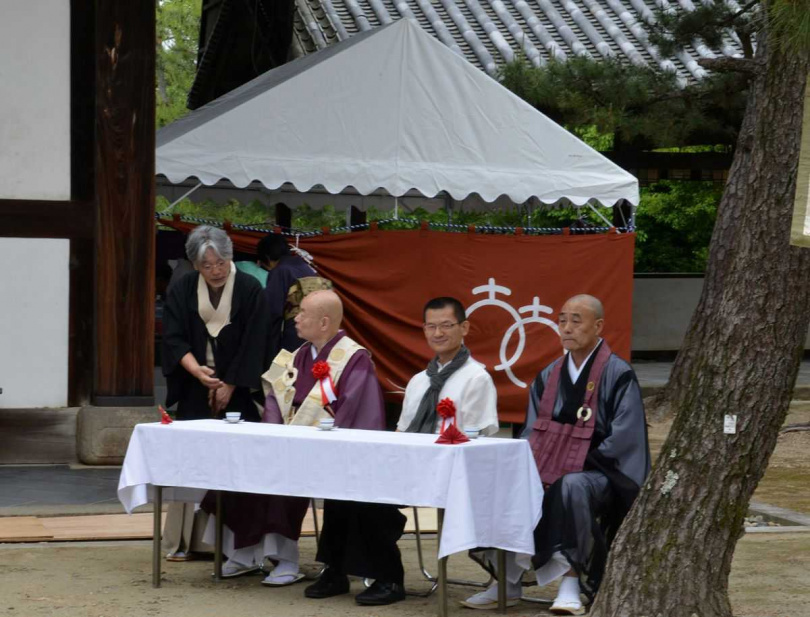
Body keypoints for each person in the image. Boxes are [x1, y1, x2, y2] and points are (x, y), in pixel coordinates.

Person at [204, 290, 405, 605]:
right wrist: (274, 433)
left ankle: (288, 559)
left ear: (324, 322)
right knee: (245, 469)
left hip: (336, 449)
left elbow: (357, 410)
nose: (295, 317)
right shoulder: (298, 355)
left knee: (339, 497)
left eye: (303, 313)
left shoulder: (354, 359)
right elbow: (275, 396)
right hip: (294, 443)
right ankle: (243, 552)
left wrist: (313, 437)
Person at [463, 294, 650, 615]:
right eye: (562, 320)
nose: (567, 327)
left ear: (598, 326)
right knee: (508, 481)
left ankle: (570, 581)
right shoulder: (549, 375)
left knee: (571, 486)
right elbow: (532, 433)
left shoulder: (618, 374)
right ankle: (507, 578)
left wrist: (571, 463)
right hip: (554, 465)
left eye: (576, 320)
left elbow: (625, 440)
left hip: (601, 472)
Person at [160, 225, 269, 561]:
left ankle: (236, 544)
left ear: (230, 257)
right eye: (207, 266)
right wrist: (196, 371)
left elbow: (257, 341)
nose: (216, 271)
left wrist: (230, 383)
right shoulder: (182, 288)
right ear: (195, 265)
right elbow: (174, 337)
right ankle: (185, 541)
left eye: (221, 263)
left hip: (239, 388)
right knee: (193, 461)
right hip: (196, 384)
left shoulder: (250, 289)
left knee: (238, 463)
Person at [398, 296, 498, 436]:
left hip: (453, 455)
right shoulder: (418, 380)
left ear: (464, 328)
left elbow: (475, 439)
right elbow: (401, 431)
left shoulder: (476, 378)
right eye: (431, 326)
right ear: (425, 330)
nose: (438, 333)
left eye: (446, 325)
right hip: (413, 455)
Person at [257, 233, 327, 359]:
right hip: (321, 332)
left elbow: (272, 312)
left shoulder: (280, 271)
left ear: (267, 258)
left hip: (296, 335)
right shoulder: (308, 267)